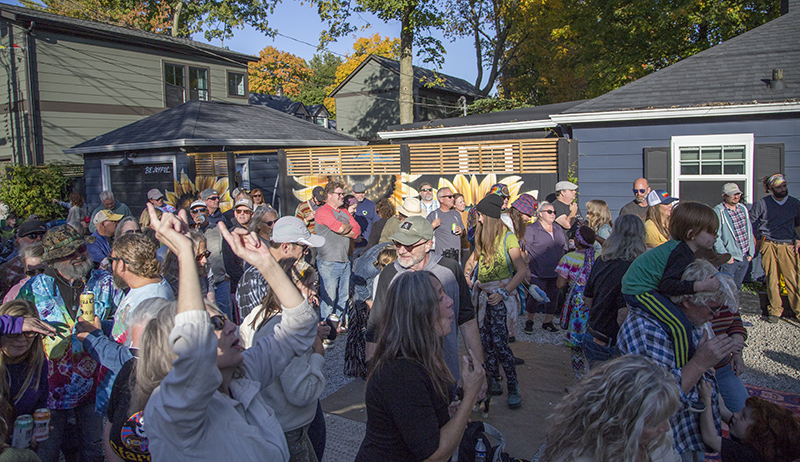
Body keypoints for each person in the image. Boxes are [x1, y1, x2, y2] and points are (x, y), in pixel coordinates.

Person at [139, 204, 318, 461]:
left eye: (224, 320)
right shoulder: (174, 410)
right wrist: (185, 256)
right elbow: (193, 355)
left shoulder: (241, 376)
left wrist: (265, 261)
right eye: (215, 325)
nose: (233, 326)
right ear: (173, 347)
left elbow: (301, 327)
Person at [18, 224, 123, 462]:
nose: (78, 255)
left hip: (95, 385)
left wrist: (103, 329)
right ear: (54, 259)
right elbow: (14, 326)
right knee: (47, 453)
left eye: (80, 249)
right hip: (49, 388)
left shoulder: (105, 282)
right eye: (69, 253)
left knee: (92, 451)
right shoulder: (35, 288)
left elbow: (124, 325)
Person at [355, 271, 485, 462]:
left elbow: (411, 417)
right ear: (420, 312)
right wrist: (470, 396)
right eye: (441, 297)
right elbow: (433, 455)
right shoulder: (401, 372)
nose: (450, 301)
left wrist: (441, 416)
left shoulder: (418, 355)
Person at [618, 259, 738, 459]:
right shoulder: (647, 329)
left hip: (683, 435)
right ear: (687, 301)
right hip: (655, 442)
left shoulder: (687, 320)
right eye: (713, 309)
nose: (714, 316)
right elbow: (654, 399)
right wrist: (700, 363)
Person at [367, 216, 484, 387]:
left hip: (445, 375)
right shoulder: (389, 274)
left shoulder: (450, 270)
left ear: (428, 244)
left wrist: (479, 371)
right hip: (403, 379)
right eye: (398, 244)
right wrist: (372, 377)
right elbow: (375, 328)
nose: (401, 251)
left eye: (409, 245)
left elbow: (467, 320)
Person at [239, 258, 326, 462]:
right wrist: (317, 355)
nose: (314, 291)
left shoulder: (256, 315)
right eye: (310, 285)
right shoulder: (285, 331)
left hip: (267, 420)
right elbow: (300, 392)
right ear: (293, 287)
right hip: (290, 430)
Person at [540, 355, 681, 462]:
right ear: (619, 422)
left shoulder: (660, 438)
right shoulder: (580, 456)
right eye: (653, 423)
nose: (667, 427)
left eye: (667, 416)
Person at [469, 194, 528, 408]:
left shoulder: (508, 237)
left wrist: (503, 293)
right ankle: (494, 379)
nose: (478, 218)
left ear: (489, 216)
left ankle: (513, 385)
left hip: (499, 299)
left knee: (501, 344)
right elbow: (473, 259)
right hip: (483, 297)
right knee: (486, 343)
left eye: (481, 214)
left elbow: (521, 270)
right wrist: (467, 274)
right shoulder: (481, 235)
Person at [581, 215, 646, 369]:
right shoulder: (634, 268)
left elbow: (587, 298)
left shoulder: (602, 260)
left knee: (594, 388)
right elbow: (622, 316)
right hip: (612, 342)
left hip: (593, 334)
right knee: (611, 391)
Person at [236, 217, 325, 321]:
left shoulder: (288, 271)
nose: (306, 252)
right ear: (285, 247)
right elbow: (259, 325)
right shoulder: (256, 278)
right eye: (304, 247)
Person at [698, 380, 800, 462]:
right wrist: (713, 382)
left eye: (743, 416)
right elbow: (723, 409)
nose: (736, 414)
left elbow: (710, 438)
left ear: (757, 433)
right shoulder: (748, 434)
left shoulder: (748, 454)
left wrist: (705, 399)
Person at [749, 173, 800, 323]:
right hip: (769, 243)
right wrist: (756, 240)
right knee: (772, 279)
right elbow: (750, 222)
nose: (783, 189)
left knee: (793, 279)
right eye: (779, 187)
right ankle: (775, 310)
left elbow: (798, 224)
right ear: (771, 188)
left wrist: (798, 240)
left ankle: (798, 311)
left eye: (784, 186)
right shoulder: (762, 204)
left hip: (787, 244)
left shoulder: (795, 204)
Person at [0, 300, 55, 425]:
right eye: (14, 332)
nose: (22, 339)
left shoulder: (39, 364)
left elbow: (40, 406)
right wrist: (15, 323)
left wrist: (35, 430)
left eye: (28, 332)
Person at [315, 181, 360, 331]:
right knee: (329, 298)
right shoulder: (323, 211)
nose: (342, 197)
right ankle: (326, 329)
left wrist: (345, 229)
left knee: (343, 296)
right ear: (329, 195)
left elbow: (357, 230)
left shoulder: (344, 212)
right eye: (339, 194)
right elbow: (339, 228)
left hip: (345, 260)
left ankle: (339, 325)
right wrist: (346, 228)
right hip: (328, 261)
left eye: (342, 193)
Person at [522, 202, 566, 333]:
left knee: (554, 297)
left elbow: (563, 246)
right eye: (549, 212)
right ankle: (530, 320)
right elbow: (524, 249)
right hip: (538, 270)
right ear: (540, 214)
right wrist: (526, 269)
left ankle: (548, 321)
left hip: (556, 270)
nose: (553, 215)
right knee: (535, 297)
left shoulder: (558, 228)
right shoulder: (532, 229)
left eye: (554, 212)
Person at [556, 226, 596, 354]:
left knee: (577, 327)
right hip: (595, 297)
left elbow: (560, 284)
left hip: (579, 298)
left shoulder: (568, 258)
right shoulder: (598, 257)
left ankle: (576, 348)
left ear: (577, 241)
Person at [221, 198, 255, 308]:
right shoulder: (232, 234)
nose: (242, 214)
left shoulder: (258, 231)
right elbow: (230, 265)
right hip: (240, 286)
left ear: (252, 214)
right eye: (239, 211)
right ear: (235, 214)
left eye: (246, 211)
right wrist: (244, 281)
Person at [0, 220, 47, 298]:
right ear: (19, 240)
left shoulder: (59, 262)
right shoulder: (9, 268)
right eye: (32, 236)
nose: (39, 239)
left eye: (43, 235)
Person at [427, 187, 464, 262]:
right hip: (441, 259)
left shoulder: (456, 214)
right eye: (450, 197)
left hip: (457, 259)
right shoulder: (434, 215)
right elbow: (423, 234)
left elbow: (464, 233)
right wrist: (433, 226)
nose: (453, 199)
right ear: (441, 199)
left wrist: (461, 231)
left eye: (453, 196)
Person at [353, 182, 377, 257]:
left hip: (366, 244)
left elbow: (377, 223)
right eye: (358, 193)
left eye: (362, 192)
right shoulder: (347, 203)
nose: (360, 195)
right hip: (351, 244)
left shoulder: (371, 205)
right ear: (353, 192)